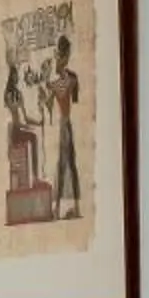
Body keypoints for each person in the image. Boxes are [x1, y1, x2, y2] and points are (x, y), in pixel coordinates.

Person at [48, 31, 82, 218]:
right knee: (67, 165)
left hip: (64, 125)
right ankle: (63, 208)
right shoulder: (65, 80)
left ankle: (60, 208)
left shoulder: (66, 80)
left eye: (60, 57)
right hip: (63, 124)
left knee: (66, 165)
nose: (59, 60)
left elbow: (70, 98)